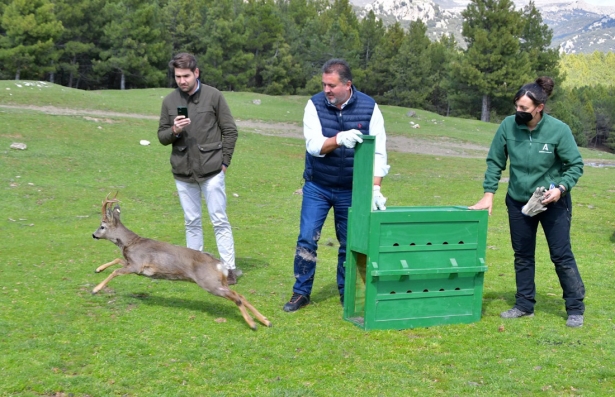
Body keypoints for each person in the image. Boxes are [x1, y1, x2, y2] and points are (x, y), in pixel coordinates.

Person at [469, 76, 585, 327]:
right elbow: (495, 162)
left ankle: (575, 308)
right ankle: (524, 305)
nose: (518, 112)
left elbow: (575, 165)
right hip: (519, 202)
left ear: (539, 108)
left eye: (524, 108)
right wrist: (489, 193)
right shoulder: (508, 127)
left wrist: (561, 189)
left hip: (553, 202)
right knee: (522, 255)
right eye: (516, 107)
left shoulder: (558, 130)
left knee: (561, 255)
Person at [283, 59, 390, 312]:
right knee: (307, 238)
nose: (326, 90)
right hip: (318, 186)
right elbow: (314, 145)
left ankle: (348, 293)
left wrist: (375, 188)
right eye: (324, 84)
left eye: (332, 85)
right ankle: (301, 293)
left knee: (349, 242)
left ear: (347, 85)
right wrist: (340, 138)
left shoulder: (369, 107)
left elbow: (379, 153)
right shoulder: (314, 104)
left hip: (353, 188)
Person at [157, 53, 240, 285]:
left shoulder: (214, 96)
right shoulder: (169, 101)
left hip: (212, 170)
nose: (182, 81)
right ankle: (193, 268)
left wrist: (225, 162)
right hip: (183, 172)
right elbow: (162, 137)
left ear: (196, 73)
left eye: (185, 76)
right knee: (191, 221)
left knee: (219, 220)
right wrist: (173, 130)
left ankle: (228, 270)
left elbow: (230, 130)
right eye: (177, 76)